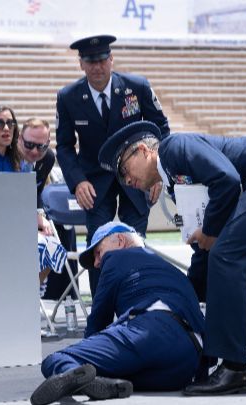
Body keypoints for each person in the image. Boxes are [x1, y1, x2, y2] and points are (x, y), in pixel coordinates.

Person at [98, 121, 246, 395]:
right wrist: (187, 292)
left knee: (227, 257)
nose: (127, 181)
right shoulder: (174, 181)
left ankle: (235, 369)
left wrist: (212, 233)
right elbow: (204, 241)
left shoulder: (174, 148)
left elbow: (226, 180)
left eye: (124, 170)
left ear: (143, 151)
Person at [31, 221, 204, 405]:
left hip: (150, 330)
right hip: (189, 358)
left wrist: (87, 352)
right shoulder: (172, 270)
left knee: (57, 359)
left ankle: (79, 377)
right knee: (119, 373)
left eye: (98, 253)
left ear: (120, 240)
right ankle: (98, 383)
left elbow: (98, 321)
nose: (97, 264)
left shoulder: (116, 258)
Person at [55, 34, 169, 296]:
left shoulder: (136, 87)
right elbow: (63, 146)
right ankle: (102, 312)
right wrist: (77, 180)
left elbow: (161, 129)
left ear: (111, 59)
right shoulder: (68, 97)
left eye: (102, 59)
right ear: (81, 64)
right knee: (99, 246)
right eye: (90, 61)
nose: (97, 66)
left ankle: (137, 304)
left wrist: (158, 172)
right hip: (94, 183)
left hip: (139, 178)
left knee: (134, 243)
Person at [18, 118, 79, 300]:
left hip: (26, 215)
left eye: (41, 146)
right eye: (29, 145)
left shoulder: (48, 158)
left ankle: (28, 292)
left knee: (54, 246)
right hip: (4, 220)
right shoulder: (7, 156)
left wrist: (39, 217)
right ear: (19, 139)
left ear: (48, 143)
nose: (35, 151)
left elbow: (35, 190)